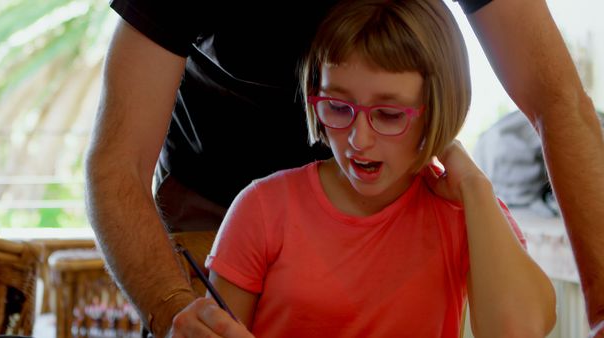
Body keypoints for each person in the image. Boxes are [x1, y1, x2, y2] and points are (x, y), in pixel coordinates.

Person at [84, 0, 604, 337]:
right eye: (339, 107)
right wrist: (175, 308)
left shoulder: (452, 208)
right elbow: (116, 164)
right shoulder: (261, 210)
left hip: (396, 193)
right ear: (319, 99)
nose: (359, 139)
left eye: (389, 111)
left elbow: (559, 101)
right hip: (215, 192)